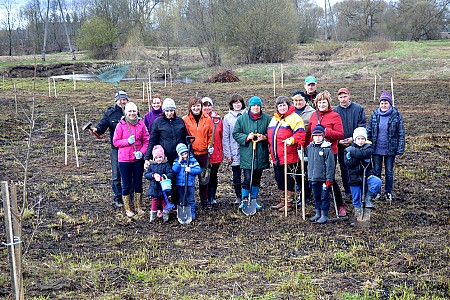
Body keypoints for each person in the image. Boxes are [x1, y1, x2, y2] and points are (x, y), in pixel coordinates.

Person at [305, 91, 346, 217]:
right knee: (316, 178)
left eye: (324, 102)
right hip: (314, 153)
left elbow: (340, 134)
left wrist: (326, 131)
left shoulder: (335, 116)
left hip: (329, 152)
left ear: (328, 103)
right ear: (316, 104)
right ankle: (320, 207)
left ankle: (340, 205)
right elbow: (309, 134)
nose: (322, 104)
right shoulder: (313, 115)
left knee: (329, 178)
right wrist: (304, 146)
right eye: (319, 102)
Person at [144, 98, 188, 206]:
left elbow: (185, 138)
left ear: (174, 111)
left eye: (171, 110)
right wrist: (147, 158)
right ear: (164, 111)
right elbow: (152, 140)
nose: (169, 113)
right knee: (164, 181)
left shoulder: (180, 121)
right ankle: (161, 205)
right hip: (164, 159)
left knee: (177, 180)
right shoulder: (158, 122)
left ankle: (177, 203)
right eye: (167, 111)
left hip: (178, 157)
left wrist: (187, 153)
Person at [267, 96, 306, 212]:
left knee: (287, 178)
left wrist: (292, 140)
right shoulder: (275, 119)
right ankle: (282, 200)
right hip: (276, 155)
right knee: (279, 178)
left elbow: (300, 133)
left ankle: (289, 203)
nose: (282, 107)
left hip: (289, 155)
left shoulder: (294, 118)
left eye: (284, 105)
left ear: (288, 106)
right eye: (280, 105)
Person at [92, 90, 129, 207]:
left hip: (130, 148)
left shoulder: (132, 111)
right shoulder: (110, 114)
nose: (122, 102)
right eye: (120, 100)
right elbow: (101, 127)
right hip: (116, 148)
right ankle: (118, 197)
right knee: (116, 174)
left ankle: (129, 196)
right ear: (116, 101)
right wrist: (95, 130)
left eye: (124, 99)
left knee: (130, 173)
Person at [232, 96, 271, 209]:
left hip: (260, 153)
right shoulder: (242, 119)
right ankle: (244, 199)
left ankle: (253, 199)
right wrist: (246, 137)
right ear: (249, 107)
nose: (255, 108)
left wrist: (265, 137)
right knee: (248, 178)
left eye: (258, 106)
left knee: (256, 178)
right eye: (253, 105)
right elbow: (236, 133)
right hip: (247, 154)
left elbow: (272, 134)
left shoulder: (267, 119)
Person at [113, 102, 149, 217]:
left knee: (138, 183)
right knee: (126, 184)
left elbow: (146, 141)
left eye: (134, 111)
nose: (132, 113)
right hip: (124, 160)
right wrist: (127, 141)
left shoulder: (141, 124)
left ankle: (138, 206)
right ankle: (128, 208)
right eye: (130, 111)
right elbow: (116, 142)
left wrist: (142, 152)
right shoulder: (121, 125)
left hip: (137, 159)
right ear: (126, 113)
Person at [367, 92, 405, 202]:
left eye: (386, 103)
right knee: (376, 171)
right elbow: (369, 131)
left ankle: (388, 192)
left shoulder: (396, 115)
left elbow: (401, 133)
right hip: (376, 149)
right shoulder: (374, 114)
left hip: (390, 150)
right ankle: (377, 192)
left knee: (389, 171)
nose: (383, 105)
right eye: (382, 103)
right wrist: (367, 145)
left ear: (390, 104)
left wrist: (399, 149)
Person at [333, 88, 366, 199]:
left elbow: (362, 125)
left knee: (357, 166)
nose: (343, 99)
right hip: (341, 145)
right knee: (344, 167)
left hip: (356, 144)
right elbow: (332, 128)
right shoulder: (335, 111)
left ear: (349, 96)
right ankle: (348, 190)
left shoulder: (358, 109)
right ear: (338, 98)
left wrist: (354, 138)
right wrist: (339, 141)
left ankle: (359, 188)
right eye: (341, 97)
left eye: (345, 96)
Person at [344, 127, 382, 223]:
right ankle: (358, 216)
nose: (360, 141)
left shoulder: (368, 148)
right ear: (355, 139)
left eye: (362, 139)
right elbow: (349, 163)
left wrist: (353, 153)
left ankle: (368, 198)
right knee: (356, 198)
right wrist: (358, 156)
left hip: (366, 175)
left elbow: (365, 153)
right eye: (358, 139)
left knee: (377, 182)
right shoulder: (347, 150)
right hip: (354, 178)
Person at [183, 96, 213, 209]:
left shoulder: (207, 119)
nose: (196, 108)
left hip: (204, 153)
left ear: (201, 107)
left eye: (198, 106)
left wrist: (210, 146)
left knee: (204, 178)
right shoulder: (185, 120)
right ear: (190, 107)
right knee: (189, 177)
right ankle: (189, 199)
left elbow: (210, 135)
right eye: (194, 106)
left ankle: (204, 200)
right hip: (191, 153)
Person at [305, 124, 335, 224]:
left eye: (320, 135)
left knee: (324, 197)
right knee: (316, 196)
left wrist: (329, 179)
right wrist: (299, 150)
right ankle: (317, 213)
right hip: (313, 177)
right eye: (315, 135)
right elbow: (305, 159)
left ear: (323, 136)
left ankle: (324, 214)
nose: (317, 138)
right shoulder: (310, 147)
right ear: (312, 136)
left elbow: (330, 166)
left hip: (323, 179)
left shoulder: (326, 149)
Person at [292, 91, 316, 201]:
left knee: (306, 171)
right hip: (293, 147)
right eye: (295, 101)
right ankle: (301, 193)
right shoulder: (290, 112)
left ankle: (307, 194)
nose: (298, 102)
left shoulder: (312, 113)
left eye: (300, 100)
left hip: (306, 147)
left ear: (305, 101)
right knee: (297, 172)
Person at [223, 94, 246, 204]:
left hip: (246, 150)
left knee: (247, 175)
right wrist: (228, 154)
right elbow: (225, 136)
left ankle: (247, 195)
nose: (237, 104)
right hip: (234, 150)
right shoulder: (227, 118)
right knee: (236, 175)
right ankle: (238, 196)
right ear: (231, 105)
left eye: (239, 102)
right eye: (235, 102)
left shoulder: (247, 115)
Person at [201, 96, 224, 205]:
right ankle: (204, 197)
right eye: (205, 105)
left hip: (216, 152)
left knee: (213, 174)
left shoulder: (217, 118)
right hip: (204, 152)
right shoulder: (200, 118)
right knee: (204, 175)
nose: (207, 107)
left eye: (209, 105)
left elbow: (222, 135)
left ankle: (212, 197)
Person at [144, 145, 174, 223]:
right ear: (154, 158)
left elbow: (171, 174)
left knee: (165, 201)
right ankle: (152, 217)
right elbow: (146, 175)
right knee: (154, 202)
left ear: (163, 157)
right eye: (156, 158)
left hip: (164, 187)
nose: (158, 159)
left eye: (160, 157)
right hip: (155, 187)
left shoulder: (166, 165)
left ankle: (166, 217)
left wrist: (164, 177)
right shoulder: (152, 165)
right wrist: (153, 175)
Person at [172, 143, 202, 219]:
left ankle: (191, 213)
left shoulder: (192, 161)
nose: (185, 156)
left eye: (186, 153)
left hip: (190, 184)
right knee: (182, 199)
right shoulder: (176, 161)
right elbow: (174, 170)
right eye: (182, 154)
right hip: (180, 184)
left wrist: (190, 170)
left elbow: (199, 170)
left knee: (190, 199)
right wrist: (179, 161)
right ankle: (183, 213)